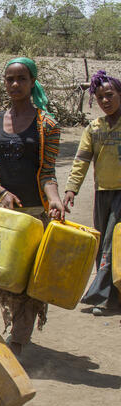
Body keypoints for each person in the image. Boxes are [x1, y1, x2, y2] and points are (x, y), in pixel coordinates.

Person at [0, 57, 64, 357]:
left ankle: (18, 340)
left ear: (32, 82)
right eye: (9, 79)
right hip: (5, 214)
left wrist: (54, 199)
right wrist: (0, 191)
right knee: (7, 278)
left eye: (21, 78)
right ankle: (15, 329)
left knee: (30, 282)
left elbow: (48, 172)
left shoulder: (47, 125)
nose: (15, 84)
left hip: (36, 215)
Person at [63, 70, 121, 316]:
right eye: (100, 98)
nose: (105, 101)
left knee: (111, 243)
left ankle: (104, 297)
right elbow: (81, 161)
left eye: (109, 95)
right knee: (101, 243)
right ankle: (111, 295)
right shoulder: (93, 128)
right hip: (102, 193)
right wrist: (70, 189)